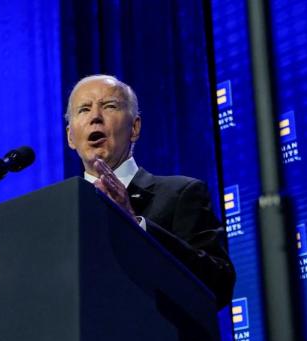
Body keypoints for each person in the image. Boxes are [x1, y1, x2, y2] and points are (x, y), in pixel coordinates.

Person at [64, 74, 235, 308]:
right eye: (83, 109)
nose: (95, 117)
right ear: (70, 137)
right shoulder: (62, 216)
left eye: (109, 106)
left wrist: (135, 225)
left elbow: (219, 285)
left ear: (134, 128)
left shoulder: (182, 193)